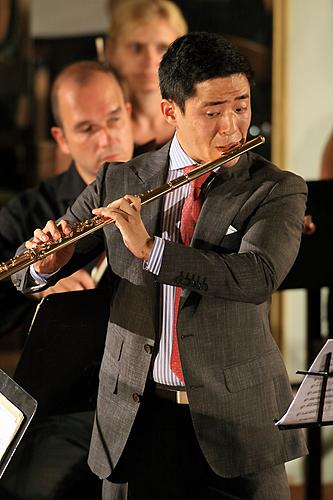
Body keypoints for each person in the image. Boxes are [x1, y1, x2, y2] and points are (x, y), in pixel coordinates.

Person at [13, 32, 308, 500]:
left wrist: (150, 248)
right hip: (135, 416)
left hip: (235, 420)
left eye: (242, 105)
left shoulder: (275, 189)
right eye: (213, 112)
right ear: (171, 110)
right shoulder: (118, 179)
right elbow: (33, 268)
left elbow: (256, 277)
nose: (232, 127)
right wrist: (46, 263)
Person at [0, 60, 133, 500]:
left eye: (114, 119)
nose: (106, 139)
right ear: (61, 139)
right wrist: (41, 278)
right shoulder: (30, 212)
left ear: (129, 113)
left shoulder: (166, 189)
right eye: (86, 128)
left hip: (147, 400)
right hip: (61, 410)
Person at [107, 0, 187, 154]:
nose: (150, 61)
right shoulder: (95, 130)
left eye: (162, 47)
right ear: (111, 52)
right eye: (136, 48)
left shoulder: (200, 118)